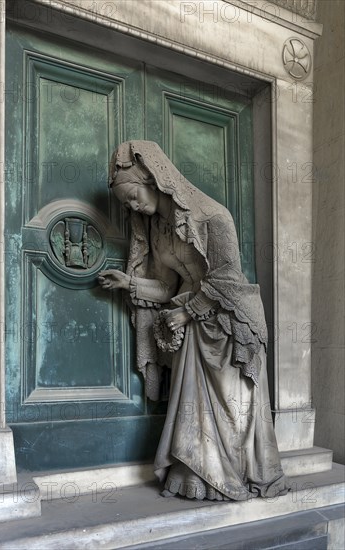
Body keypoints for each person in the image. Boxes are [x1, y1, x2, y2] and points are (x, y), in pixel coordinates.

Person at [98, 140, 289, 501]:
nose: (132, 206)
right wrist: (130, 282)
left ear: (155, 180)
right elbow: (167, 286)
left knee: (235, 415)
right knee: (193, 415)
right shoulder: (158, 232)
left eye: (134, 196)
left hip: (230, 328)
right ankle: (196, 480)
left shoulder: (213, 217)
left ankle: (234, 475)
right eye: (126, 203)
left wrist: (186, 311)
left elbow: (228, 281)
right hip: (193, 331)